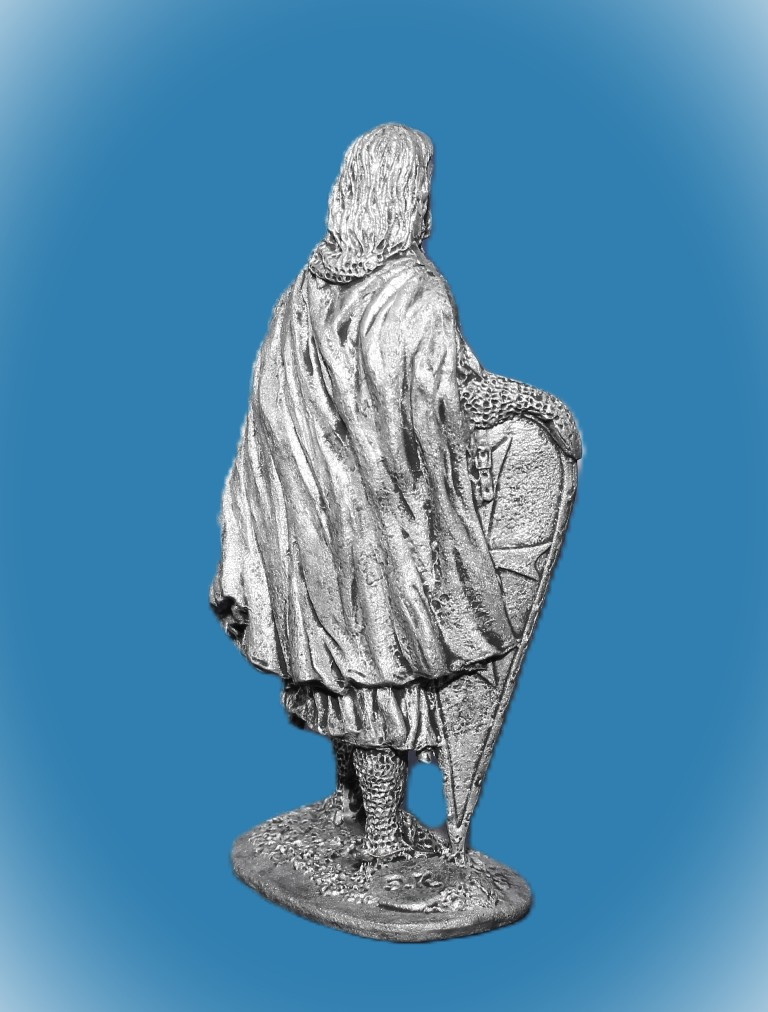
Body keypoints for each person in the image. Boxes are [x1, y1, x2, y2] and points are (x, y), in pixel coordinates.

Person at [211, 123, 581, 860]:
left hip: (309, 524)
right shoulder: (414, 291)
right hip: (376, 533)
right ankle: (381, 836)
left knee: (337, 664)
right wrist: (536, 406)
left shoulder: (306, 287)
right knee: (378, 671)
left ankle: (353, 801)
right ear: (408, 196)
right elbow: (438, 404)